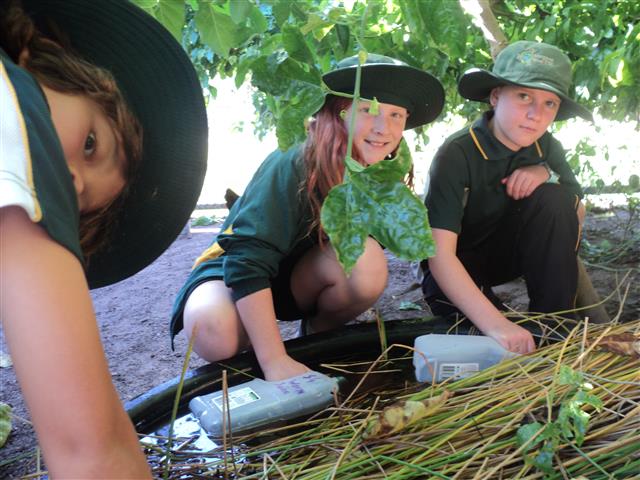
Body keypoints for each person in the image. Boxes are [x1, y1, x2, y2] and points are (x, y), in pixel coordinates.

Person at [0, 0, 207, 476]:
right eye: (91, 142)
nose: (69, 183)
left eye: (79, 205)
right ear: (43, 52)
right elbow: (87, 449)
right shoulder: (15, 101)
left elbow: (107, 426)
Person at [170, 54, 445, 381]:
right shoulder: (297, 157)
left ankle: (314, 342)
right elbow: (246, 259)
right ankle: (252, 357)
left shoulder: (380, 175)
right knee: (215, 332)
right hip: (234, 274)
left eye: (396, 115)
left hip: (299, 279)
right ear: (337, 112)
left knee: (366, 264)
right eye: (368, 109)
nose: (383, 127)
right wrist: (273, 359)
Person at [420, 41, 593, 355]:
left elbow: (575, 215)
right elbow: (440, 256)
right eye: (523, 96)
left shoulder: (546, 147)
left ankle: (555, 327)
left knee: (557, 199)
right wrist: (497, 323)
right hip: (457, 261)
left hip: (511, 255)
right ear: (496, 96)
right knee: (484, 338)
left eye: (549, 103)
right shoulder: (456, 153)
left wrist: (546, 175)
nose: (535, 115)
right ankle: (496, 316)